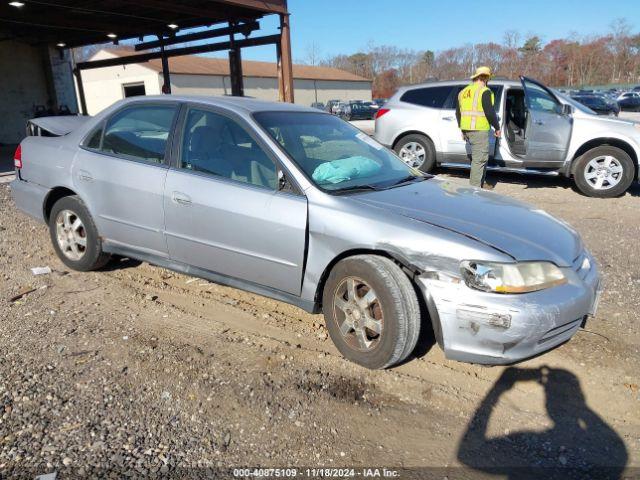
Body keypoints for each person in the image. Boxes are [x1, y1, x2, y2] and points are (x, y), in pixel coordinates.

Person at [456, 66, 501, 189]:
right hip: (479, 130)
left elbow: (458, 113)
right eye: (488, 78)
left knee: (479, 159)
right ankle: (474, 190)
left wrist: (462, 129)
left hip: (467, 130)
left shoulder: (463, 92)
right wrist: (497, 127)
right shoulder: (484, 91)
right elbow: (489, 112)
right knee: (479, 160)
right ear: (485, 77)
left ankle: (480, 183)